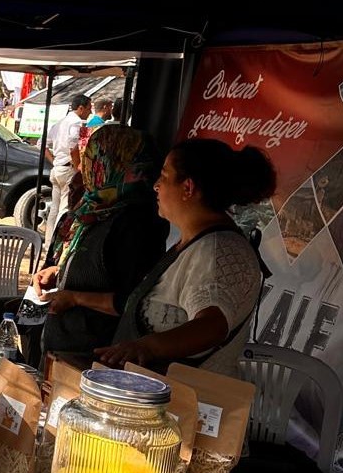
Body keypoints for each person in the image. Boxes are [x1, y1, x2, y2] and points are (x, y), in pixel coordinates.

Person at [95, 139, 277, 376]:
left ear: (188, 188)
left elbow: (211, 327)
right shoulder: (192, 243)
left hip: (189, 404)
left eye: (164, 176)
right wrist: (74, 298)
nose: (156, 186)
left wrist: (146, 347)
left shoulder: (216, 251)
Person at [25, 125, 169, 366]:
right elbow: (88, 268)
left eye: (93, 160)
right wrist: (56, 273)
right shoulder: (88, 210)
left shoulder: (137, 222)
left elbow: (133, 300)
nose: (86, 168)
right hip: (58, 349)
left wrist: (75, 298)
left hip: (96, 360)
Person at [43, 93, 92, 250]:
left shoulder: (60, 123)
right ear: (81, 108)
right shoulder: (76, 123)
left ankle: (48, 242)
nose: (90, 112)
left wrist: (55, 162)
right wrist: (77, 166)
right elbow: (73, 147)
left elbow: (42, 144)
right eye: (89, 108)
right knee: (63, 210)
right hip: (67, 169)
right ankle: (54, 245)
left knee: (55, 209)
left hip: (57, 168)